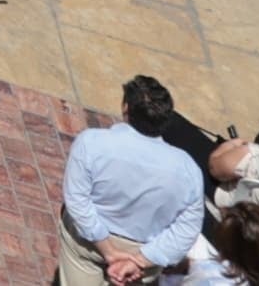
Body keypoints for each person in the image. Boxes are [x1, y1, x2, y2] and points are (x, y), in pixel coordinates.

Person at [69, 79, 213, 284]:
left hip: (88, 245)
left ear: (126, 108)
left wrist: (108, 251)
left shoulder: (91, 142)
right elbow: (186, 230)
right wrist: (141, 259)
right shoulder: (188, 170)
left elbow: (77, 202)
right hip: (143, 255)